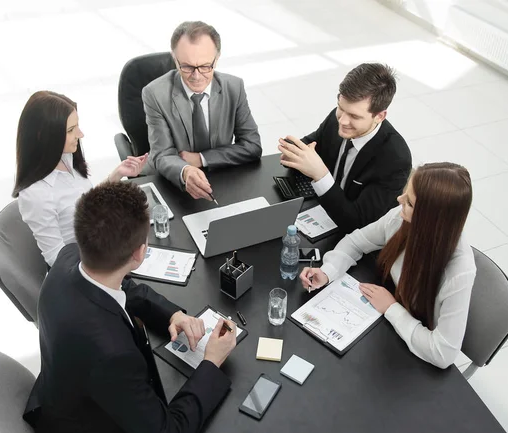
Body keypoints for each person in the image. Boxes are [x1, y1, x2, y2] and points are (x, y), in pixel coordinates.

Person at [23, 181, 237, 432]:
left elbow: (125, 287)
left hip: (65, 394)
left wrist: (173, 314)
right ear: (140, 254)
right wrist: (211, 362)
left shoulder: (67, 258)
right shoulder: (113, 355)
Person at [300, 162, 476, 369]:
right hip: (389, 328)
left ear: (429, 219)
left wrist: (391, 308)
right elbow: (356, 241)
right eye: (405, 193)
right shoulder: (400, 217)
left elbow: (442, 353)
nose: (399, 200)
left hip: (412, 356)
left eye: (409, 203)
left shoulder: (459, 273)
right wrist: (328, 271)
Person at [13, 91, 148, 267]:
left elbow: (85, 201)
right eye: (71, 130)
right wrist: (113, 267)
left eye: (77, 126)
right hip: (86, 268)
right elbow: (57, 260)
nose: (80, 134)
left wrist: (117, 174)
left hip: (102, 247)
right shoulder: (36, 194)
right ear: (44, 135)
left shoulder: (65, 157)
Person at [278, 63, 411, 233]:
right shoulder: (338, 118)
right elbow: (313, 142)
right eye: (341, 108)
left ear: (379, 116)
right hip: (320, 210)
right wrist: (293, 151)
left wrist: (320, 175)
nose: (342, 121)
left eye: (354, 116)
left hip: (356, 235)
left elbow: (358, 223)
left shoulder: (395, 159)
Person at [143, 21, 262, 201]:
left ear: (217, 57)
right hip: (175, 184)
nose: (197, 76)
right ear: (174, 58)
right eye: (187, 66)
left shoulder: (234, 87)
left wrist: (201, 159)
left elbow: (252, 146)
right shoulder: (154, 94)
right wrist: (185, 170)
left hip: (222, 177)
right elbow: (162, 154)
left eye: (206, 66)